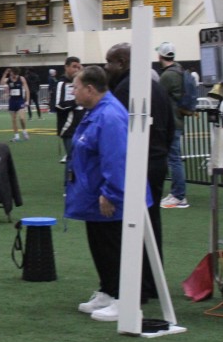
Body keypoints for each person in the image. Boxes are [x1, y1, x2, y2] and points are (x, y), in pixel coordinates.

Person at [66, 66, 148, 322]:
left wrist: (110, 193)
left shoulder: (110, 115)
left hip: (110, 197)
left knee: (113, 247)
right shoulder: (96, 112)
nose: (73, 92)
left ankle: (124, 299)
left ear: (90, 89)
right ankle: (108, 291)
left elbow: (116, 158)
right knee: (100, 245)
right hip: (93, 194)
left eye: (76, 87)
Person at [106, 43, 175, 304]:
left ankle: (137, 287)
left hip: (139, 164)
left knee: (130, 224)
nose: (106, 67)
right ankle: (153, 282)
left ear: (122, 62)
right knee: (152, 222)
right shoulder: (156, 87)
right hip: (157, 161)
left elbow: (119, 132)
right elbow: (170, 128)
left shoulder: (125, 90)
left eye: (109, 62)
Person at [156, 42, 189, 209]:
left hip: (172, 122)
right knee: (174, 158)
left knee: (174, 159)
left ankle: (179, 195)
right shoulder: (179, 70)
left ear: (160, 56)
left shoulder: (168, 76)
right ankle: (177, 193)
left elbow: (158, 96)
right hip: (177, 119)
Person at [53, 57, 83, 162]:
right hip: (68, 128)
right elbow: (59, 105)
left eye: (78, 67)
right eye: (74, 67)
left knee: (81, 160)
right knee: (73, 160)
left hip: (82, 126)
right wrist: (77, 101)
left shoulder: (81, 83)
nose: (76, 69)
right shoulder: (61, 84)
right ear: (66, 67)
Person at [0, 67, 30, 142]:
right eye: (11, 73)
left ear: (16, 73)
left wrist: (27, 100)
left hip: (20, 101)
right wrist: (5, 73)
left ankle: (24, 131)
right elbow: (1, 84)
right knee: (13, 119)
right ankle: (16, 136)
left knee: (22, 118)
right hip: (12, 101)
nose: (12, 75)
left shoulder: (21, 79)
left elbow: (27, 90)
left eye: (13, 73)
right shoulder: (8, 79)